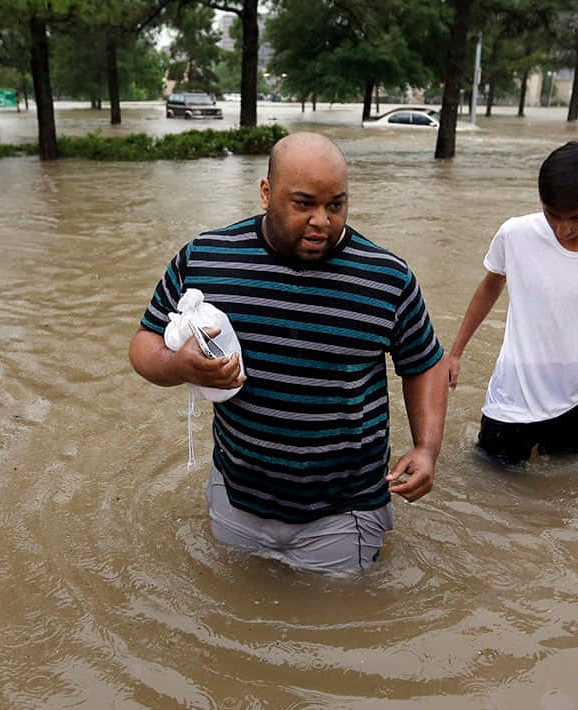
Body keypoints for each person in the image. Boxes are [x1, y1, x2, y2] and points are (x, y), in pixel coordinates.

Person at [129, 132, 448, 572]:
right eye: (304, 204)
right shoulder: (207, 259)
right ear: (266, 192)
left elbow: (424, 363)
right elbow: (144, 344)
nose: (322, 221)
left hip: (343, 513)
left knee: (335, 629)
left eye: (336, 205)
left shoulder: (385, 277)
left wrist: (426, 448)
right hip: (237, 498)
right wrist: (180, 365)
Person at [446, 140, 578, 466]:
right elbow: (489, 289)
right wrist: (455, 353)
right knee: (491, 482)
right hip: (512, 395)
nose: (562, 228)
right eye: (552, 214)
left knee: (561, 494)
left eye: (576, 217)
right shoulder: (514, 234)